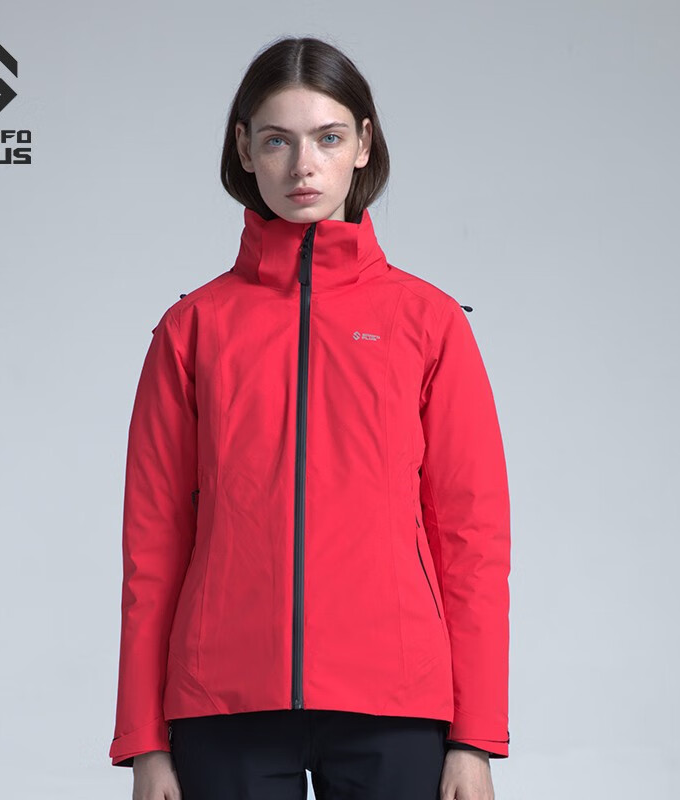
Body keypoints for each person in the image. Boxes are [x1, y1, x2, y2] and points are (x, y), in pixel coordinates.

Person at [109, 35, 511, 800]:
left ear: (363, 144)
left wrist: (475, 738)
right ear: (244, 149)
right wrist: (144, 742)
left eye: (327, 138)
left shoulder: (428, 324)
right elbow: (152, 545)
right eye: (277, 140)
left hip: (395, 703)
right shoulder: (192, 331)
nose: (303, 165)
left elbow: (473, 541)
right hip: (223, 703)